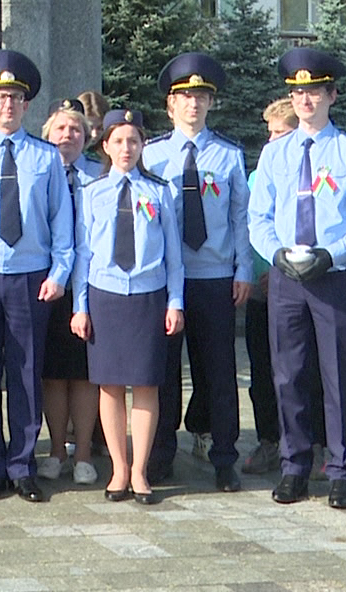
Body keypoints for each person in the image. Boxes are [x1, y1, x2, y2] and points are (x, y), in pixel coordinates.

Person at [249, 49, 346, 510]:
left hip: (333, 276)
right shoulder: (275, 153)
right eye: (298, 91)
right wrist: (275, 253)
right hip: (286, 278)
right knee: (288, 373)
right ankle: (294, 465)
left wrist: (333, 254)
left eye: (315, 91)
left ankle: (341, 469)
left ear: (332, 95)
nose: (305, 99)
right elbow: (258, 217)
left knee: (338, 374)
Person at [0, 51, 72, 503]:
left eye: (16, 97)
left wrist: (60, 272)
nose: (7, 105)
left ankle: (22, 464)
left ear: (27, 106)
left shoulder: (45, 157)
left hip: (31, 278)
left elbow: (62, 222)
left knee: (25, 373)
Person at [142, 53, 250, 492]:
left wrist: (243, 267)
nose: (193, 105)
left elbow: (240, 217)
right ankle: (161, 452)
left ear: (210, 103)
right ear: (170, 106)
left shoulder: (227, 155)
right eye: (185, 97)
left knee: (218, 370)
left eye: (201, 97)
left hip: (214, 275)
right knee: (165, 370)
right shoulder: (151, 154)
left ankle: (224, 456)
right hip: (166, 278)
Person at [71, 110, 184, 505]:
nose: (126, 148)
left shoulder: (160, 191)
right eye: (118, 141)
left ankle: (140, 471)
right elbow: (82, 255)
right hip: (106, 295)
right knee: (111, 385)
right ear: (105, 145)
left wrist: (175, 302)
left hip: (148, 296)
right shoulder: (91, 193)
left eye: (133, 141)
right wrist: (80, 307)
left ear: (142, 146)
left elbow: (174, 255)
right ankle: (118, 469)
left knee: (147, 384)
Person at [242, 99, 328, 478]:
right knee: (266, 371)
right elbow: (252, 226)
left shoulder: (312, 168)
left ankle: (317, 442)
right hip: (268, 288)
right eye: (270, 132)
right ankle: (269, 440)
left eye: (280, 132)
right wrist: (267, 266)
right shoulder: (259, 173)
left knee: (311, 371)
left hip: (310, 281)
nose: (272, 139)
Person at [39, 99, 102, 487]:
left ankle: (83, 453)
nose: (68, 135)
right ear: (48, 135)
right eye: (60, 129)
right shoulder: (40, 174)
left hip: (91, 284)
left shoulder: (98, 175)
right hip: (48, 283)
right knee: (53, 373)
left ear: (88, 136)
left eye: (75, 129)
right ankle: (56, 450)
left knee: (84, 373)